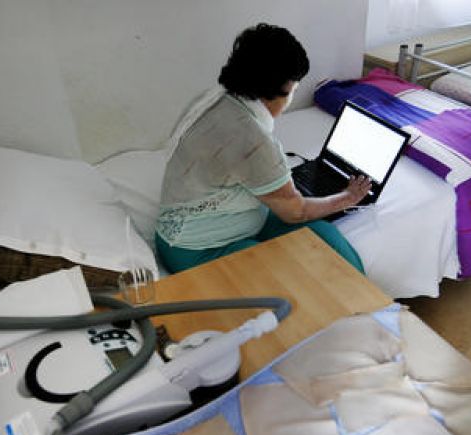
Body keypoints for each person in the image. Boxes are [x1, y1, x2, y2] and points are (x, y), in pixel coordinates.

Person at [155, 23, 369, 274]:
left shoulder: (211, 98)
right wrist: (348, 198)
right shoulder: (253, 141)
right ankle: (358, 294)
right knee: (288, 270)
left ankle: (366, 294)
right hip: (198, 250)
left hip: (228, 222)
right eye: (293, 91)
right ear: (279, 92)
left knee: (324, 235)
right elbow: (296, 212)